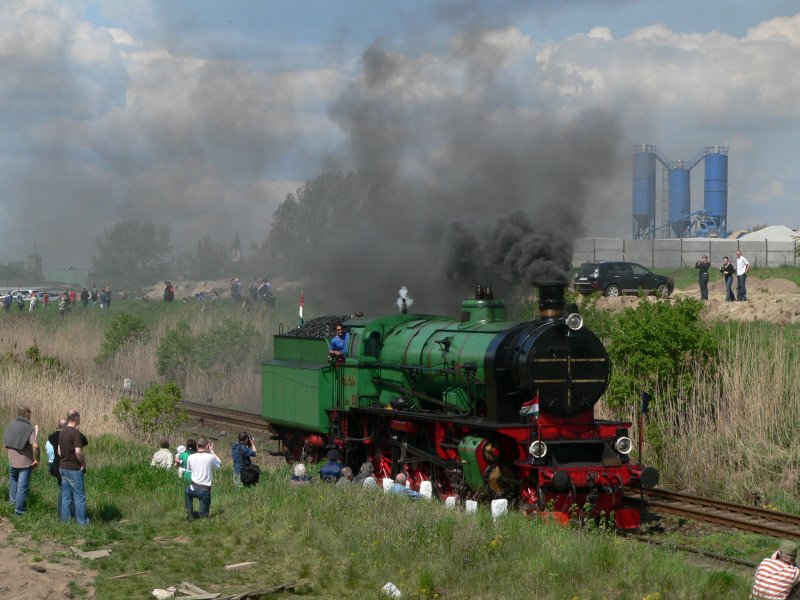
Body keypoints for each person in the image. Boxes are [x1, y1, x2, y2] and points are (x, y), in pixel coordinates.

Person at [3, 405, 40, 516]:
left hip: (12, 460)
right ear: (26, 413)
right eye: (30, 412)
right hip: (25, 463)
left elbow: (6, 440)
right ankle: (19, 512)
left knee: (13, 481)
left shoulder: (11, 424)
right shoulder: (28, 428)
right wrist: (37, 460)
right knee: (22, 486)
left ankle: (11, 505)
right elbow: (35, 446)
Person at [58, 409, 89, 525]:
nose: (80, 418)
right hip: (73, 469)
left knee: (66, 496)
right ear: (75, 418)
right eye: (79, 416)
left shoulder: (62, 431)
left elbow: (59, 452)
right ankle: (82, 522)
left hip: (63, 467)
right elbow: (78, 452)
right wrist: (83, 464)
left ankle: (65, 522)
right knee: (79, 497)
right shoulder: (75, 433)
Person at [185, 438, 221, 521]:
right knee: (204, 516)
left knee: (187, 491)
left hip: (193, 487)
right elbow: (219, 464)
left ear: (197, 446)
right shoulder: (210, 457)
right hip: (205, 490)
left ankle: (190, 512)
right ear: (207, 446)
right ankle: (198, 514)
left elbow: (188, 469)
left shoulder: (190, 457)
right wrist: (212, 451)